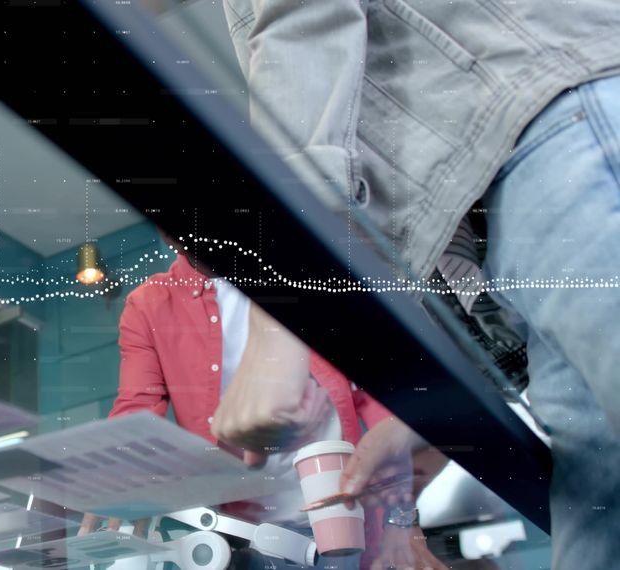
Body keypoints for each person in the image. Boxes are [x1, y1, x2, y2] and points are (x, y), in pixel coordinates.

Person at [220, 1, 620, 567]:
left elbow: (304, 19)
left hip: (557, 127)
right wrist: (426, 422)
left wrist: (280, 313)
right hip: (526, 174)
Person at [82, 235, 403, 568]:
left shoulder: (306, 267)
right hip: (242, 537)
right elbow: (137, 408)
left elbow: (380, 397)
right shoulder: (147, 305)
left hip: (348, 521)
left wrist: (402, 516)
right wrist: (121, 469)